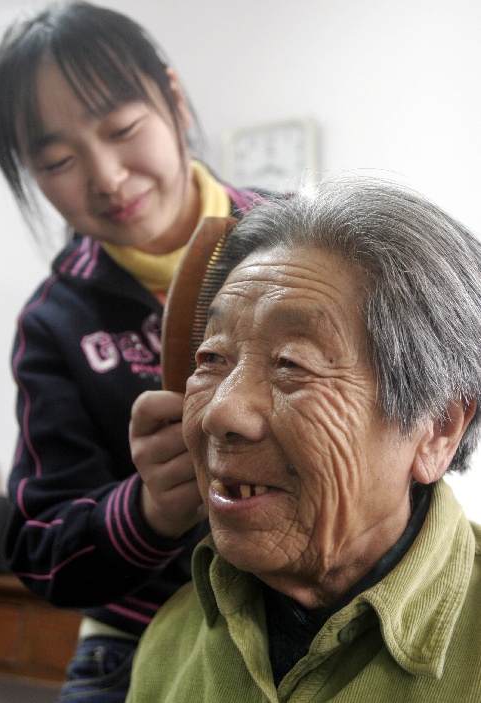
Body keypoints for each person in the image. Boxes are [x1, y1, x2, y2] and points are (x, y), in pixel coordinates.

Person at [0, 2, 269, 700]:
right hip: (140, 631)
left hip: (319, 607)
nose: (107, 176)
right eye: (56, 159)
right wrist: (149, 507)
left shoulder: (304, 244)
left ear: (172, 97)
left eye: (122, 129)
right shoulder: (54, 322)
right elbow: (42, 549)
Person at [126, 173, 481, 702]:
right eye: (212, 359)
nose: (219, 412)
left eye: (293, 363)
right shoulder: (172, 640)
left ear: (438, 427)